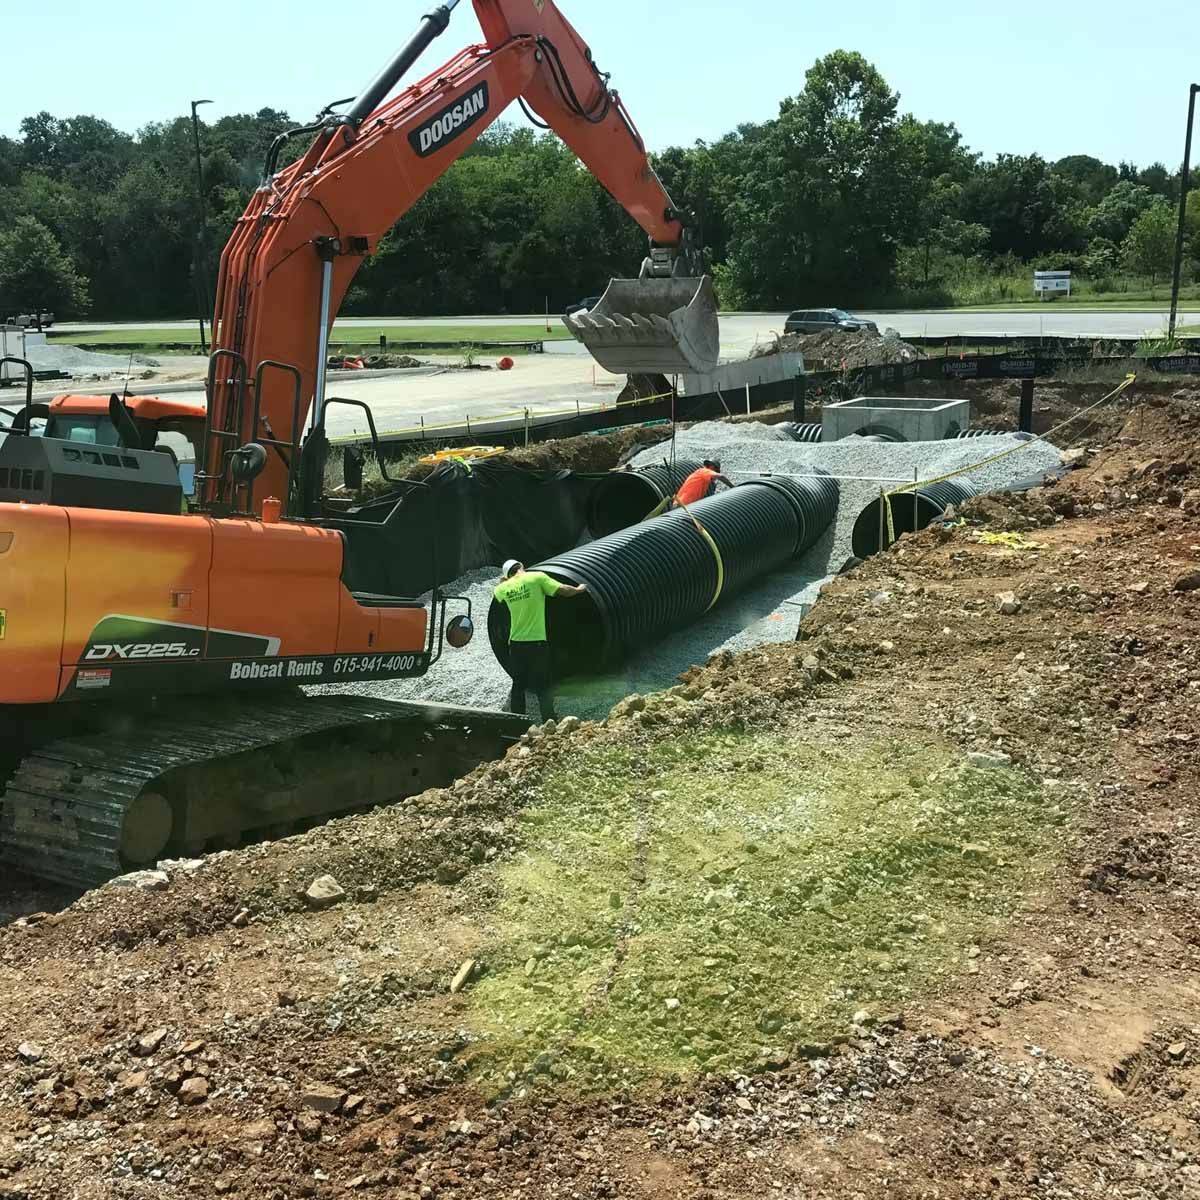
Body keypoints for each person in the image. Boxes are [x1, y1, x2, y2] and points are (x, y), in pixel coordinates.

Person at [493, 559, 587, 720]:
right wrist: (579, 589)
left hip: (515, 645)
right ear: (522, 566)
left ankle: (516, 722)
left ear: (507, 575)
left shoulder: (502, 588)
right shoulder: (536, 577)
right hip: (537, 643)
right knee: (543, 685)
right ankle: (550, 723)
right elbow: (563, 590)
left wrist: (504, 582)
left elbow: (496, 593)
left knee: (518, 685)